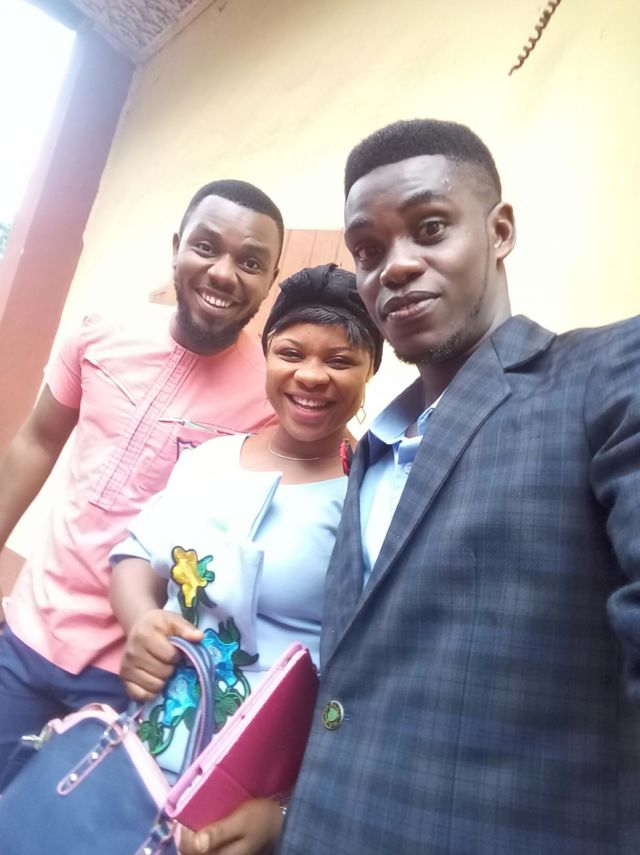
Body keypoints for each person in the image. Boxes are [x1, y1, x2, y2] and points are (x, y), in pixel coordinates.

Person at [276, 120, 640, 854]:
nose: (395, 267)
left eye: (430, 228)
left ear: (500, 231)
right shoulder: (372, 450)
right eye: (368, 250)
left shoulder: (606, 374)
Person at [0, 179, 285, 789]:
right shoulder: (100, 331)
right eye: (206, 247)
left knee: (66, 823)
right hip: (27, 631)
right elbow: (37, 441)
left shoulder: (268, 401)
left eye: (250, 262)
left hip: (139, 672)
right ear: (177, 247)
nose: (224, 272)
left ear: (270, 281)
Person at [108, 263, 383, 855]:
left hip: (250, 797)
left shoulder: (372, 500)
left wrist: (283, 812)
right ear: (267, 357)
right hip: (140, 753)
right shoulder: (209, 461)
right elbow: (135, 554)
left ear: (370, 371)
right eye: (291, 353)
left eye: (340, 360)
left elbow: (374, 682)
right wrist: (141, 622)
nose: (311, 375)